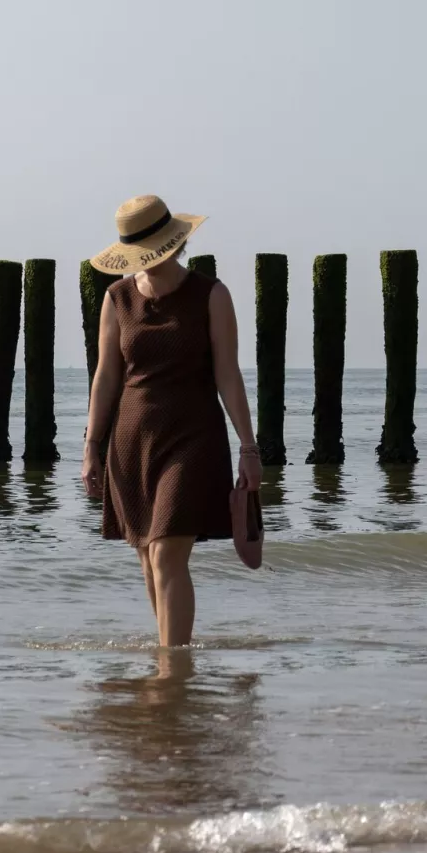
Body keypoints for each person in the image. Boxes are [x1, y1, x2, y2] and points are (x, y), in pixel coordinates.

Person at [81, 195, 260, 648]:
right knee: (147, 556)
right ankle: (173, 662)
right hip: (132, 440)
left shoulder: (210, 294)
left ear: (174, 245)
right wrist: (91, 446)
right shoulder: (117, 298)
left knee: (165, 552)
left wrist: (248, 446)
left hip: (193, 438)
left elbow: (228, 375)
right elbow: (106, 376)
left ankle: (171, 668)